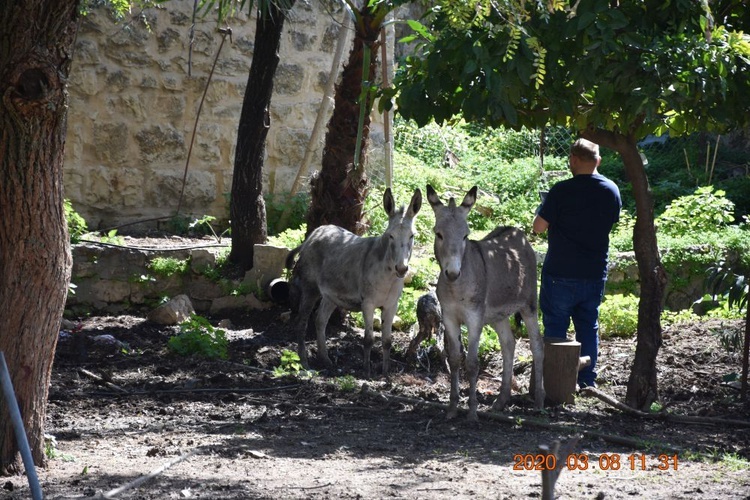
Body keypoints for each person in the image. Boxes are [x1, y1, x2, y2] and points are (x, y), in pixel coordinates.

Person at [532, 138, 622, 389]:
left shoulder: (561, 191)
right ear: (599, 161)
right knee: (588, 327)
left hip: (559, 273)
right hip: (593, 273)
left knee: (556, 329)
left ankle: (555, 385)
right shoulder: (611, 190)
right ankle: (586, 381)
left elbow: (538, 227)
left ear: (572, 160)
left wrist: (544, 208)